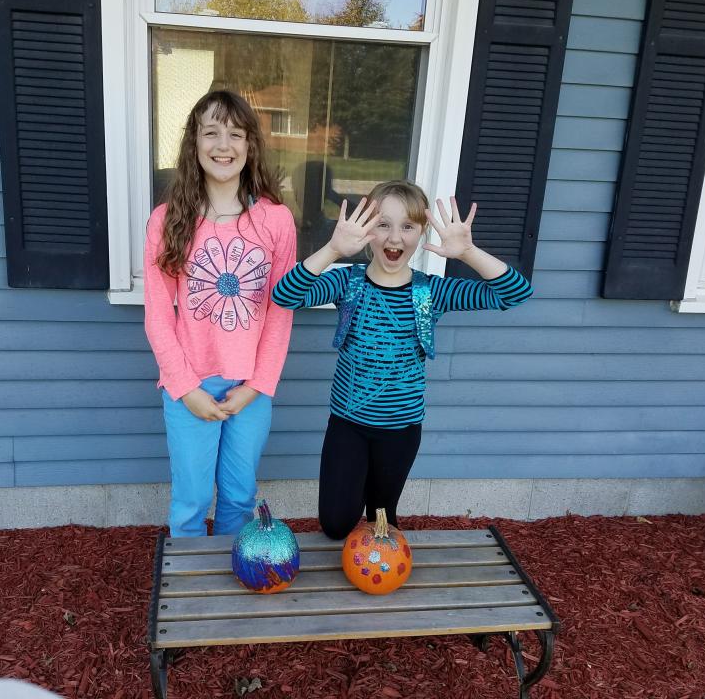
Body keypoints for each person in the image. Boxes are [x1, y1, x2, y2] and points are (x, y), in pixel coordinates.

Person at [271, 180, 532, 539]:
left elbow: (514, 293)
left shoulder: (432, 291)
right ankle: (352, 491)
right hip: (348, 426)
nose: (395, 238)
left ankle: (375, 532)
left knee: (382, 524)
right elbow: (286, 295)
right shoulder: (348, 283)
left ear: (422, 231)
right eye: (383, 224)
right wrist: (333, 249)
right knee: (335, 524)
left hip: (401, 430)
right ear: (366, 231)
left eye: (407, 226)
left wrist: (468, 252)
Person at [144, 90, 296, 537]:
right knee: (191, 496)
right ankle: (188, 586)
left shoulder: (275, 221)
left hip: (251, 387)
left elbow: (279, 312)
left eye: (235, 134)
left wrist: (256, 386)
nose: (223, 145)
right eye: (211, 133)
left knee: (238, 495)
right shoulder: (167, 220)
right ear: (194, 144)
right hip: (189, 384)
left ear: (250, 146)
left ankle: (231, 580)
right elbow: (157, 315)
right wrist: (185, 387)